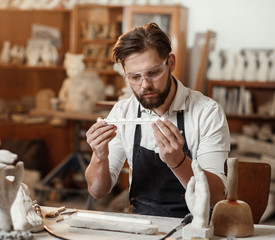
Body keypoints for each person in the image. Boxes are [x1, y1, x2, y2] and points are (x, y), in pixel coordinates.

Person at [85, 23, 230, 218]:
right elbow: (97, 191)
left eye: (153, 73)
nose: (145, 85)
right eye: (134, 77)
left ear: (170, 63)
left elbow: (217, 196)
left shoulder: (207, 112)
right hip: (140, 226)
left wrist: (178, 161)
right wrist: (99, 156)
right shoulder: (123, 112)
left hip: (196, 228)